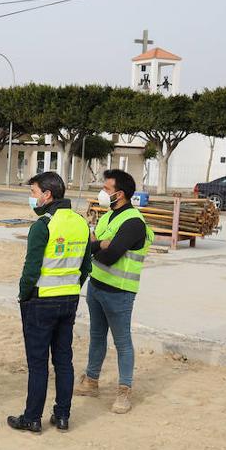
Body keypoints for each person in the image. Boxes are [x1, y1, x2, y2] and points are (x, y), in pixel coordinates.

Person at [7, 171, 92, 434]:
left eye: (33, 193)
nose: (31, 198)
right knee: (63, 359)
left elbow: (30, 270)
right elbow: (86, 266)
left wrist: (24, 295)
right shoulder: (80, 223)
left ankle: (32, 417)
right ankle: (62, 415)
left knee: (38, 362)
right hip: (68, 300)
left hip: (40, 301)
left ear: (47, 195)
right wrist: (71, 288)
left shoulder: (42, 226)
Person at [75, 169, 154, 414]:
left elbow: (109, 256)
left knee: (122, 342)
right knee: (97, 336)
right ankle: (91, 381)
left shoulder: (133, 222)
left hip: (119, 292)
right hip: (97, 286)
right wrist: (97, 245)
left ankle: (124, 391)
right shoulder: (109, 216)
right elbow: (94, 246)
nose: (102, 192)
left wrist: (94, 245)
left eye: (107, 189)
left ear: (120, 194)